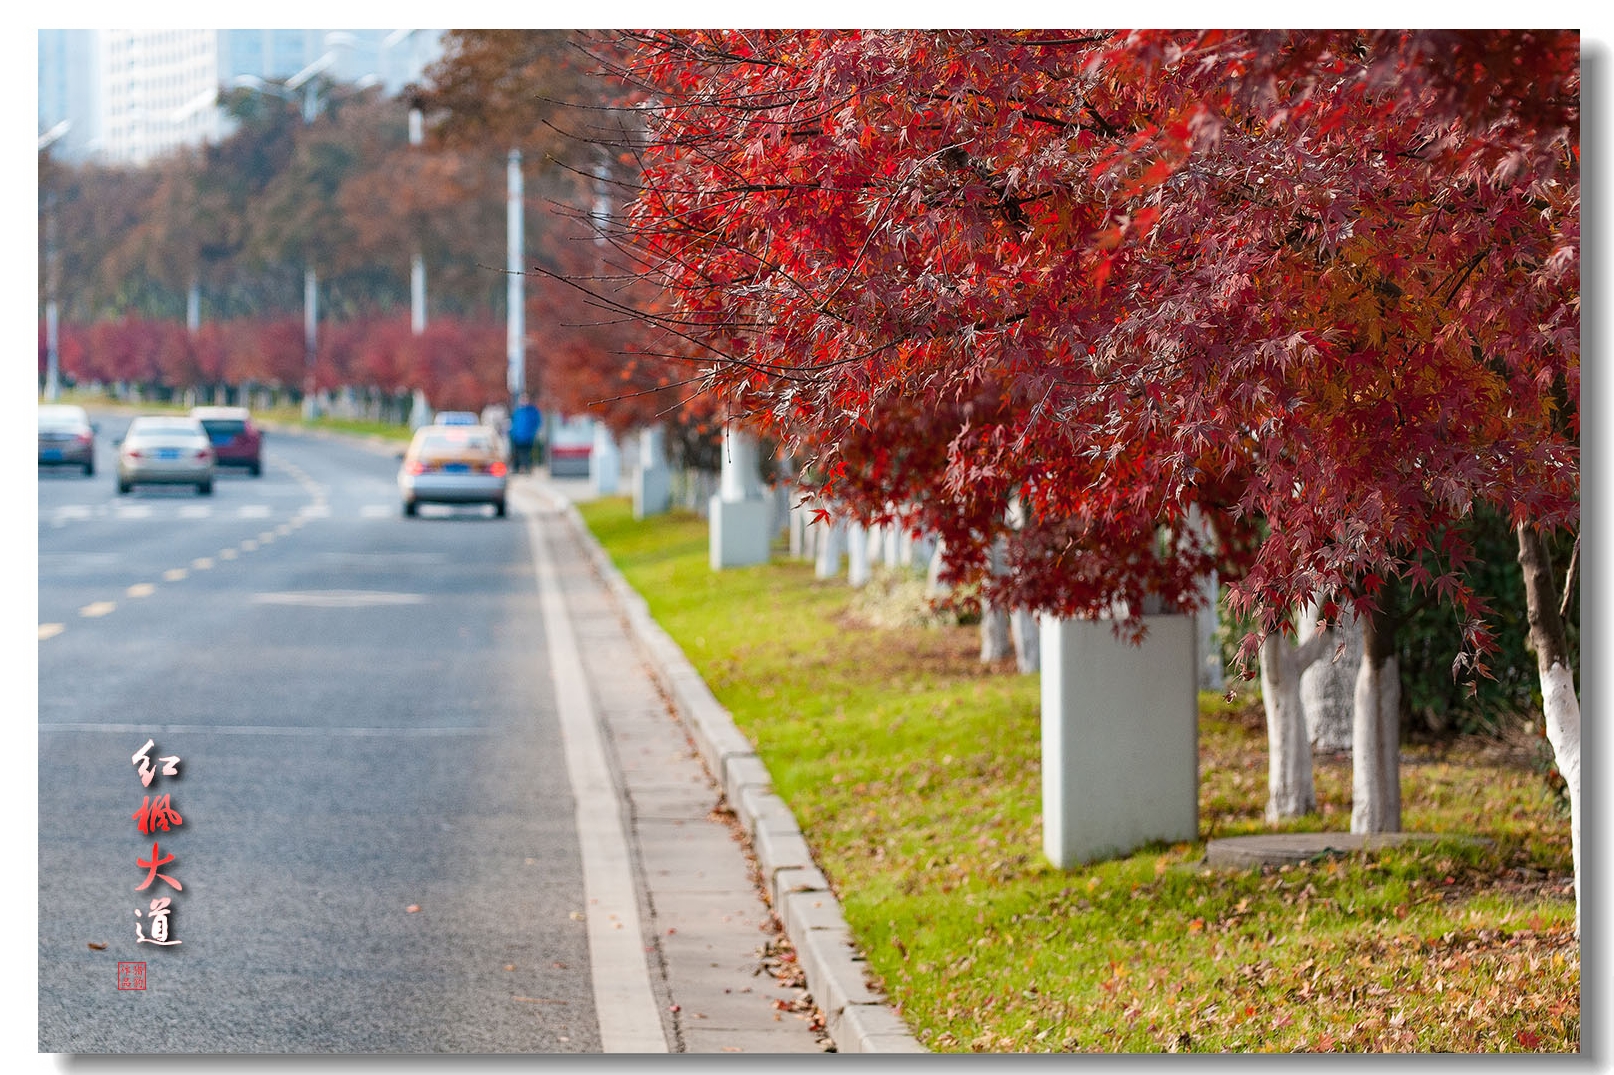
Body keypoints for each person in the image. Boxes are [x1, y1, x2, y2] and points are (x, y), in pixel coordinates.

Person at [509, 394, 540, 474]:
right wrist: (513, 433)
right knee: (517, 453)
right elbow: (513, 422)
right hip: (517, 436)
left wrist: (533, 432)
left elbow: (537, 422)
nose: (523, 402)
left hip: (528, 437)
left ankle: (527, 468)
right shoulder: (517, 411)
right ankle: (517, 468)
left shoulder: (532, 411)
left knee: (526, 454)